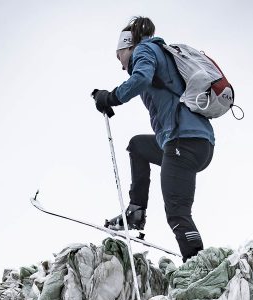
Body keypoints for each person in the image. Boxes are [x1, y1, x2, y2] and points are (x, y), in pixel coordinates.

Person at [92, 16, 215, 262]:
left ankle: (197, 263)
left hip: (184, 140)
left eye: (119, 56)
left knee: (177, 212)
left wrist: (111, 97)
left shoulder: (145, 50)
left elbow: (141, 79)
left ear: (128, 47)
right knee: (137, 146)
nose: (121, 64)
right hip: (191, 141)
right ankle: (136, 212)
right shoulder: (160, 52)